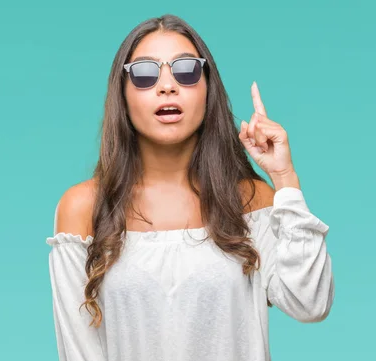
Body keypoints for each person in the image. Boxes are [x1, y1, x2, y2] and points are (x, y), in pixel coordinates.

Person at [46, 14, 333, 361]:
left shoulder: (251, 201)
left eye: (186, 70)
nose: (167, 86)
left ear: (208, 88)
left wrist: (285, 178)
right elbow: (79, 353)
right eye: (145, 73)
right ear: (121, 94)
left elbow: (310, 303)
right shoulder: (83, 207)